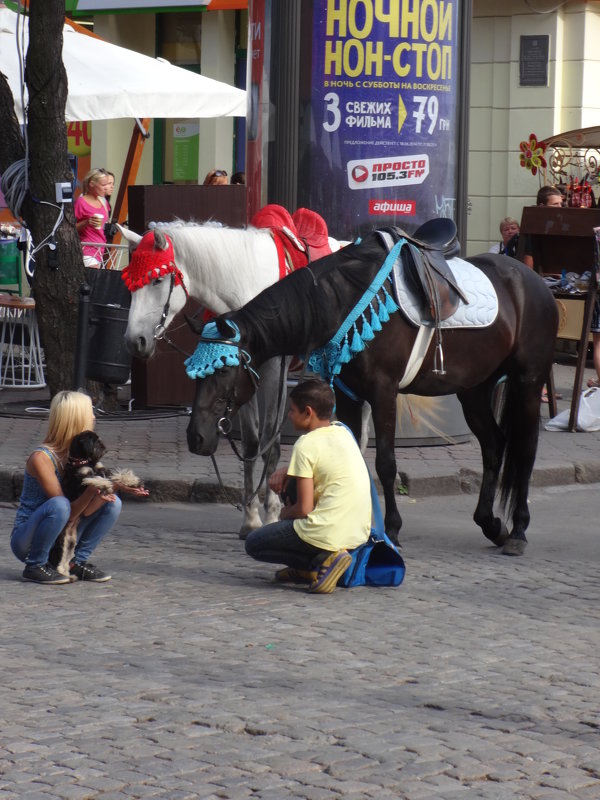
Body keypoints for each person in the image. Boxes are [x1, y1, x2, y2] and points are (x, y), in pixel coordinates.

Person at [245, 379, 371, 594]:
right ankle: (309, 568)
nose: (289, 415)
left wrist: (284, 514)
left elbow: (304, 509)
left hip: (326, 532)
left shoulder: (305, 444)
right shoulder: (343, 431)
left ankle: (318, 562)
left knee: (254, 543)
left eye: (292, 410)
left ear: (308, 413)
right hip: (358, 533)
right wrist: (288, 470)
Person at [10, 391, 148, 585]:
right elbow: (67, 513)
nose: (93, 416)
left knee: (113, 503)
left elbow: (86, 510)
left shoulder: (80, 454)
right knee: (59, 504)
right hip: (29, 539)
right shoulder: (41, 458)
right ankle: (35, 565)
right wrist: (94, 488)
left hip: (64, 534)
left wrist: (114, 487)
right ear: (75, 418)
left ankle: (76, 562)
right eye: (89, 412)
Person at [74, 168, 110, 267]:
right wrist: (87, 222)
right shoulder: (81, 202)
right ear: (92, 184)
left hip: (100, 249)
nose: (106, 188)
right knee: (95, 280)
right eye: (103, 185)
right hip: (86, 249)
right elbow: (69, 228)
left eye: (108, 184)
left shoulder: (103, 202)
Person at [522, 186, 564, 269]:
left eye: (561, 204)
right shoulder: (533, 226)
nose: (560, 207)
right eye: (555, 204)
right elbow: (528, 257)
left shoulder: (563, 224)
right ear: (542, 206)